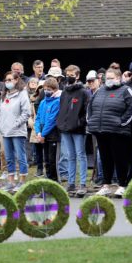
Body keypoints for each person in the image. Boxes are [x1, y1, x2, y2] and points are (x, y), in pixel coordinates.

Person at [87, 68, 132, 197]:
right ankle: (106, 185)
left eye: (111, 78)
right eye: (107, 78)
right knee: (105, 159)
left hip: (118, 132)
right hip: (101, 131)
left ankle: (122, 185)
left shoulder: (126, 90)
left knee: (120, 159)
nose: (108, 80)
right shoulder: (99, 91)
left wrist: (122, 123)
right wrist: (90, 121)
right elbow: (90, 107)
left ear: (118, 78)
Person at [57, 65, 90, 197]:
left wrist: (79, 123)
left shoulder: (83, 92)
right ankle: (71, 183)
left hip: (78, 130)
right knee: (70, 156)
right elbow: (62, 109)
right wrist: (60, 123)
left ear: (77, 76)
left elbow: (87, 111)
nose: (69, 76)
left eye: (72, 74)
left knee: (81, 155)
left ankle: (82, 184)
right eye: (67, 74)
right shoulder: (64, 92)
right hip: (65, 129)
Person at [0, 71, 31, 192]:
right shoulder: (4, 94)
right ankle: (11, 182)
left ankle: (22, 181)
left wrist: (15, 124)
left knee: (20, 156)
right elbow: (1, 112)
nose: (8, 82)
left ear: (16, 80)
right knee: (9, 157)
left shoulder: (22, 93)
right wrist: (0, 123)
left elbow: (26, 112)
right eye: (6, 80)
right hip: (5, 131)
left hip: (17, 131)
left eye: (10, 80)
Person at [34, 77, 61, 182]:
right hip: (42, 134)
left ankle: (55, 181)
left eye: (49, 89)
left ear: (55, 90)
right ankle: (48, 181)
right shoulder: (42, 102)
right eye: (45, 89)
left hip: (53, 134)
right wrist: (38, 132)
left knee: (52, 160)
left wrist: (43, 134)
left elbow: (52, 121)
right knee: (47, 160)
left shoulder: (57, 102)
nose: (46, 91)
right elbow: (38, 118)